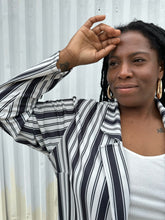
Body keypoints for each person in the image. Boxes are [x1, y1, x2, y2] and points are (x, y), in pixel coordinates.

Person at [0, 14, 165, 220]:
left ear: (160, 69)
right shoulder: (75, 121)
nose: (122, 72)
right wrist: (67, 58)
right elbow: (5, 108)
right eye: (113, 63)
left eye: (138, 60)